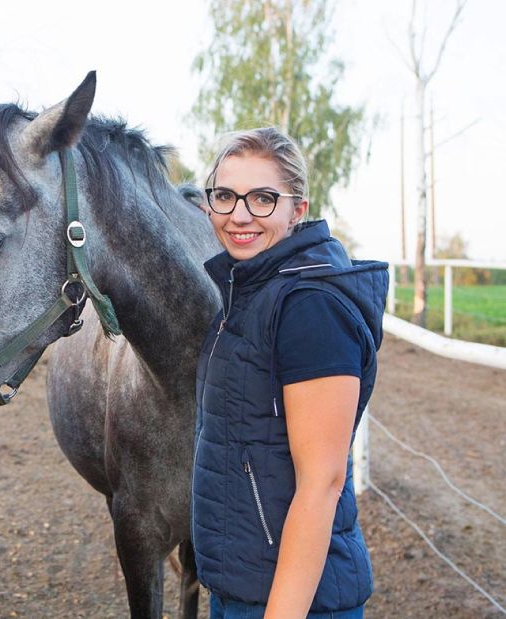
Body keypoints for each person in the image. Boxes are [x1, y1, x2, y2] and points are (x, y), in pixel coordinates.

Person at [191, 127, 388, 618]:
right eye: (226, 196)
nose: (239, 214)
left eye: (262, 198)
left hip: (294, 601)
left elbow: (323, 480)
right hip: (243, 583)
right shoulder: (246, 291)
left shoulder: (311, 307)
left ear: (297, 209)